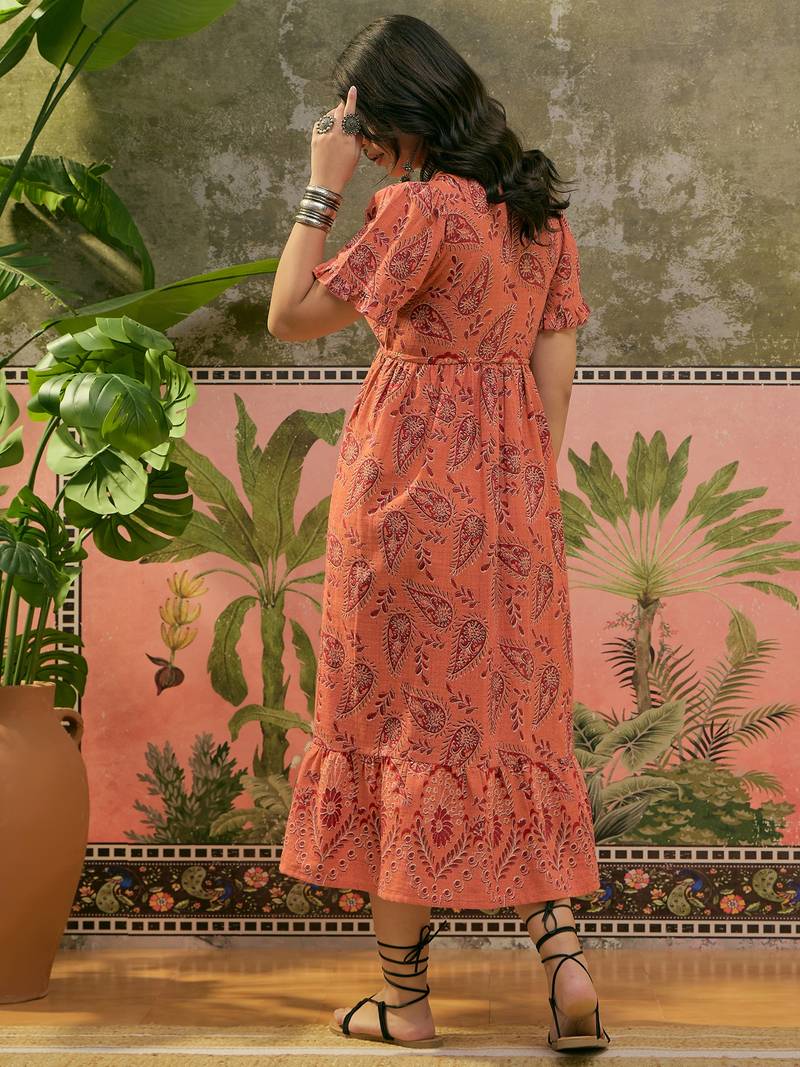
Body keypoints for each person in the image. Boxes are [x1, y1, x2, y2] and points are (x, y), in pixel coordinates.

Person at [268, 14, 610, 1055]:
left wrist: (321, 185)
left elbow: (290, 314)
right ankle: (565, 964)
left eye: (362, 120)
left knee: (400, 734)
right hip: (513, 501)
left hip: (406, 498)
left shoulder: (420, 208)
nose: (359, 139)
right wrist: (517, 492)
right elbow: (555, 377)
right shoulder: (537, 214)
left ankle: (404, 1001)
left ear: (397, 111)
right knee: (512, 730)